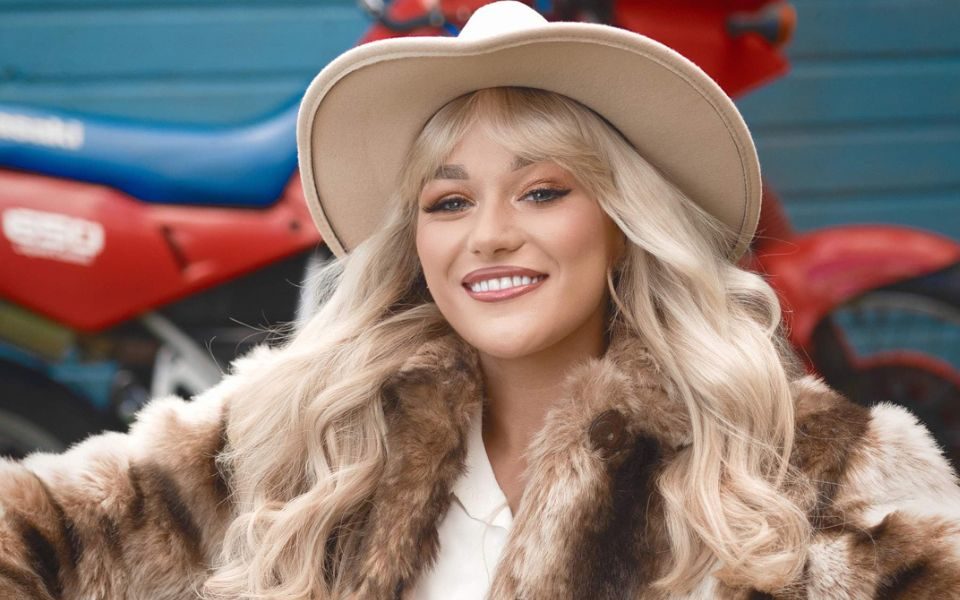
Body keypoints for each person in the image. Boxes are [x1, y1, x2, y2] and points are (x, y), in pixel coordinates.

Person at [2, 2, 959, 599]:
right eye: (449, 201)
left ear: (623, 219)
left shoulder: (813, 470)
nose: (488, 234)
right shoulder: (301, 431)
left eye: (543, 191)